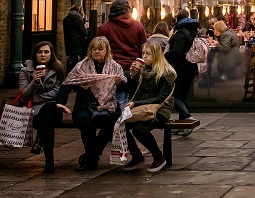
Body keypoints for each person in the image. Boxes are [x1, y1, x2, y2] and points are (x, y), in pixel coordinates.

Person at [56, 36, 125, 171]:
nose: (97, 52)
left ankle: (90, 157)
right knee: (86, 123)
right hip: (85, 105)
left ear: (106, 50)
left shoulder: (115, 67)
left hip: (107, 105)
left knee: (114, 121)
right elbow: (67, 84)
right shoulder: (82, 67)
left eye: (100, 49)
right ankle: (92, 158)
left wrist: (120, 83)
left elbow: (124, 87)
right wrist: (61, 103)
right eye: (94, 49)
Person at [123, 42, 176, 173]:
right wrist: (132, 76)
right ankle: (136, 156)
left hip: (160, 109)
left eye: (148, 54)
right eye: (143, 53)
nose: (144, 57)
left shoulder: (167, 73)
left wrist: (136, 103)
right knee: (118, 125)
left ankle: (158, 157)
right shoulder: (143, 70)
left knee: (139, 129)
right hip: (142, 107)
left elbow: (160, 98)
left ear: (156, 55)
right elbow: (133, 91)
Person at [19, 41, 69, 174]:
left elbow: (57, 93)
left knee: (50, 107)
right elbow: (24, 96)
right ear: (35, 54)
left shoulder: (58, 70)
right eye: (39, 52)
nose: (43, 55)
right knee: (47, 123)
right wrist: (34, 82)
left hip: (53, 109)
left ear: (51, 54)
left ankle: (39, 143)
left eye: (46, 52)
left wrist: (37, 98)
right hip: (35, 112)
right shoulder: (25, 71)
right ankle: (49, 160)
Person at [165, 11, 200, 128]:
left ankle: (186, 116)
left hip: (181, 69)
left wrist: (163, 55)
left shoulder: (181, 33)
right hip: (191, 68)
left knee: (171, 95)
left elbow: (177, 52)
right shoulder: (193, 32)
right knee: (183, 96)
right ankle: (184, 126)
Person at [96, 0, 147, 79]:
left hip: (110, 70)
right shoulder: (138, 26)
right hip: (133, 68)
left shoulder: (105, 27)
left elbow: (97, 48)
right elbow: (144, 48)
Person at [63, 4, 89, 71]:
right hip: (79, 44)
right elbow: (85, 33)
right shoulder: (78, 20)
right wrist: (85, 28)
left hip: (69, 44)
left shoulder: (66, 19)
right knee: (81, 62)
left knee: (73, 61)